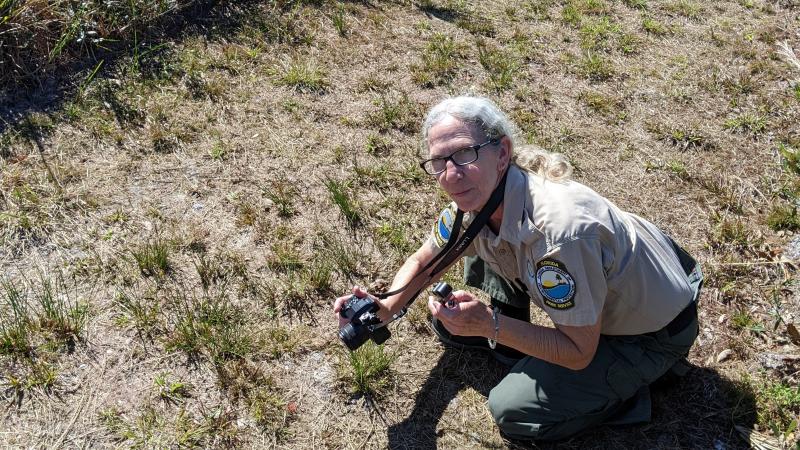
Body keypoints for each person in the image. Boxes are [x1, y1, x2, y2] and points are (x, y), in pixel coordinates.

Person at [333, 96, 702, 441]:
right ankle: (512, 343)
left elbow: (578, 352)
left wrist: (486, 324)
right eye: (438, 162)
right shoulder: (481, 201)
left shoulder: (558, 236)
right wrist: (384, 308)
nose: (450, 174)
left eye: (464, 154)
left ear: (502, 152)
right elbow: (425, 261)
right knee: (472, 242)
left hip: (654, 330)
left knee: (512, 410)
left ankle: (632, 389)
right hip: (638, 277)